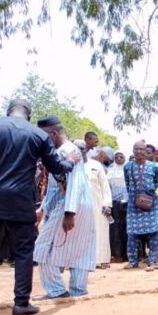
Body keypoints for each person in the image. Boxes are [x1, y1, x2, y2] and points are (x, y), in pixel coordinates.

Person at [0, 101, 77, 315]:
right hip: (20, 201)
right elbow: (56, 167)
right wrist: (70, 162)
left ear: (8, 112)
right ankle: (21, 303)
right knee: (23, 252)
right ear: (29, 114)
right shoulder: (37, 135)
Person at [33, 117, 96, 299]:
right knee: (81, 248)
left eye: (43, 136)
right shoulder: (64, 151)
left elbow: (74, 183)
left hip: (70, 206)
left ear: (53, 133)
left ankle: (56, 290)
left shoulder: (67, 151)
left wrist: (69, 213)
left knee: (43, 246)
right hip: (80, 204)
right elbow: (54, 186)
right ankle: (78, 290)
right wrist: (43, 208)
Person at [124, 141, 158, 271]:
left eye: (141, 149)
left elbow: (156, 183)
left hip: (151, 204)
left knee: (153, 232)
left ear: (146, 151)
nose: (139, 152)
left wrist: (147, 196)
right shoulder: (128, 166)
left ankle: (152, 260)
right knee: (132, 234)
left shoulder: (154, 167)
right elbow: (127, 183)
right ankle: (133, 261)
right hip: (133, 205)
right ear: (133, 151)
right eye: (136, 149)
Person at [85, 146, 113, 269]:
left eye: (82, 148)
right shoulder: (73, 166)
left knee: (100, 230)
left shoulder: (96, 165)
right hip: (79, 206)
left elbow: (105, 187)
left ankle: (101, 259)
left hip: (98, 204)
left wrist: (107, 204)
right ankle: (81, 262)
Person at [107, 150, 128, 262]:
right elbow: (108, 188)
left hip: (127, 203)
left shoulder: (128, 170)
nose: (119, 158)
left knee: (126, 227)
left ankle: (127, 255)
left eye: (121, 156)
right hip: (114, 203)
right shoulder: (110, 172)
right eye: (117, 157)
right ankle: (117, 254)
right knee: (115, 228)